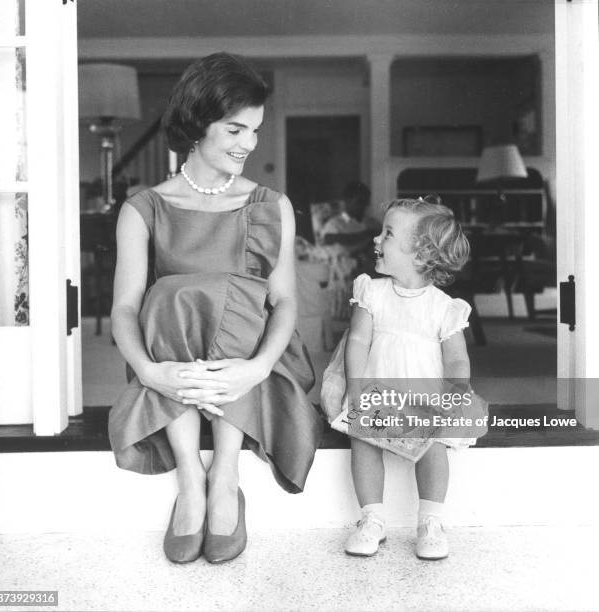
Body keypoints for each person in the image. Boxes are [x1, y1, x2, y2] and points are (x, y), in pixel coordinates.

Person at [108, 53, 324, 565]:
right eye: (234, 129)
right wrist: (148, 372)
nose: (248, 144)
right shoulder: (144, 207)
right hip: (172, 357)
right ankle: (191, 477)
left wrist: (257, 367)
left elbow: (285, 300)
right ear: (197, 124)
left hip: (257, 360)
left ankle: (225, 474)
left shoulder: (271, 204)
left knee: (239, 290)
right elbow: (124, 307)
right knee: (171, 293)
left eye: (254, 130)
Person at [323, 195, 474, 560]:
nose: (376, 239)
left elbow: (456, 361)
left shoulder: (444, 307)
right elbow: (357, 341)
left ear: (420, 254)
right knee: (363, 441)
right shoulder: (371, 292)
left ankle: (431, 521)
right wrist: (356, 388)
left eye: (388, 234)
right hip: (376, 389)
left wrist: (453, 398)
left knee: (433, 447)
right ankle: (372, 518)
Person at [321, 181, 379, 255]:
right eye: (360, 202)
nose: (364, 206)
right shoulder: (335, 223)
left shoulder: (370, 222)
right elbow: (328, 239)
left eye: (366, 202)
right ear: (347, 201)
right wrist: (367, 234)